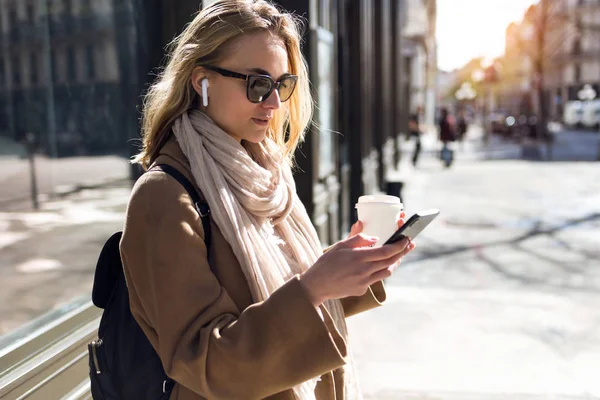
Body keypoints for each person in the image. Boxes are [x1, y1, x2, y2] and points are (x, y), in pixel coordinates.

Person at [120, 1, 415, 399]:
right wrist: (313, 287)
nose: (274, 103)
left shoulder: (265, 175)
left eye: (283, 84)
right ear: (200, 81)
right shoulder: (165, 198)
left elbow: (277, 293)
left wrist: (354, 268)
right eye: (257, 84)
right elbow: (206, 363)